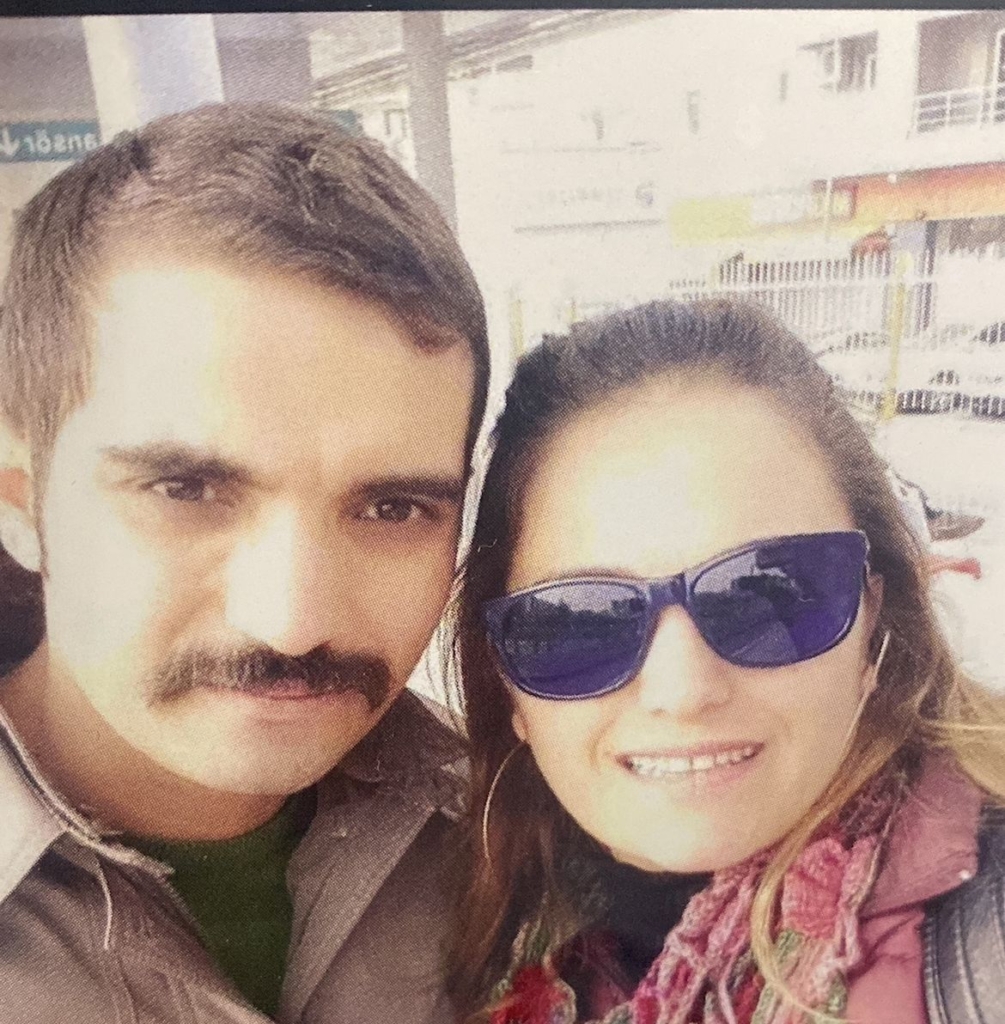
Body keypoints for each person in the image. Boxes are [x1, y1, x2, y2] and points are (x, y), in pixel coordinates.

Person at [0, 102, 489, 1024]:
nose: (292, 620)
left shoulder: (518, 843)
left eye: (391, 508)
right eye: (187, 490)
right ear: (20, 502)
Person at [446, 299, 1005, 1024]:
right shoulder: (472, 926)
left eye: (766, 594)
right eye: (581, 621)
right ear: (506, 681)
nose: (682, 689)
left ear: (870, 620)